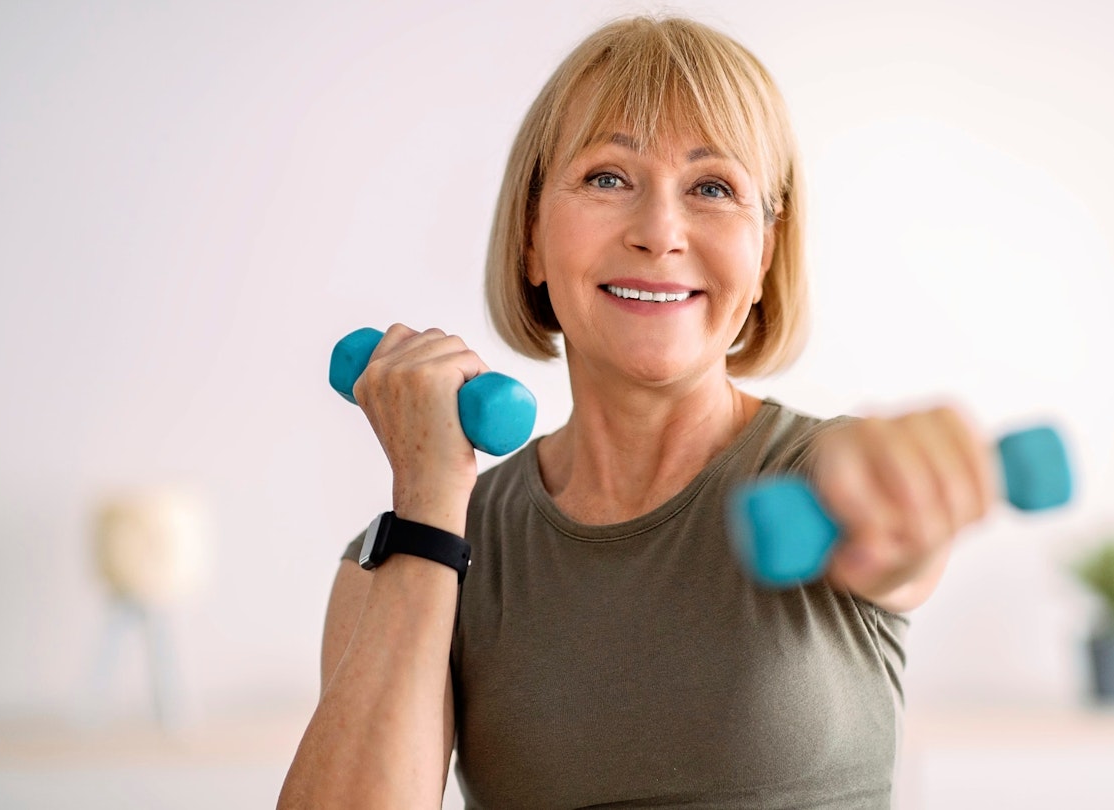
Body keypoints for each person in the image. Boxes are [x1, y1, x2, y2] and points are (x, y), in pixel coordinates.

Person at [279, 14, 995, 809]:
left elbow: (889, 526)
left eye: (712, 188)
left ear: (763, 253)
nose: (660, 232)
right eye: (608, 178)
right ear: (531, 236)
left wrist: (907, 487)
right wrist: (427, 506)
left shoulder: (819, 483)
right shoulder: (421, 550)